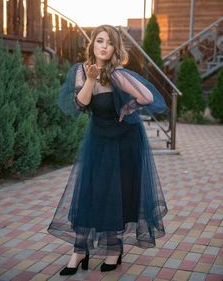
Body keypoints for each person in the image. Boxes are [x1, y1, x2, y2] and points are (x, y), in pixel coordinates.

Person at [48, 24, 168, 275]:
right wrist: (91, 79)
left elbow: (148, 97)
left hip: (124, 141)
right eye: (99, 40)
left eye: (109, 42)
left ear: (115, 48)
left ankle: (114, 249)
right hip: (99, 139)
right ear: (92, 44)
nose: (103, 45)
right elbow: (81, 104)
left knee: (116, 194)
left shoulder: (118, 74)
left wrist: (129, 108)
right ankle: (80, 250)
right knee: (90, 191)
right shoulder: (81, 71)